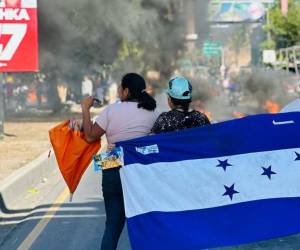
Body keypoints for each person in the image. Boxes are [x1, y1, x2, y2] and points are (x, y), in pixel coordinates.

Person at [81, 73, 159, 250]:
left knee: (112, 227)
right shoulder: (154, 113)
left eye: (119, 88)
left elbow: (89, 137)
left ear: (126, 91)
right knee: (144, 225)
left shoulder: (111, 110)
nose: (117, 91)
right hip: (141, 170)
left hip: (112, 163)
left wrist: (85, 109)